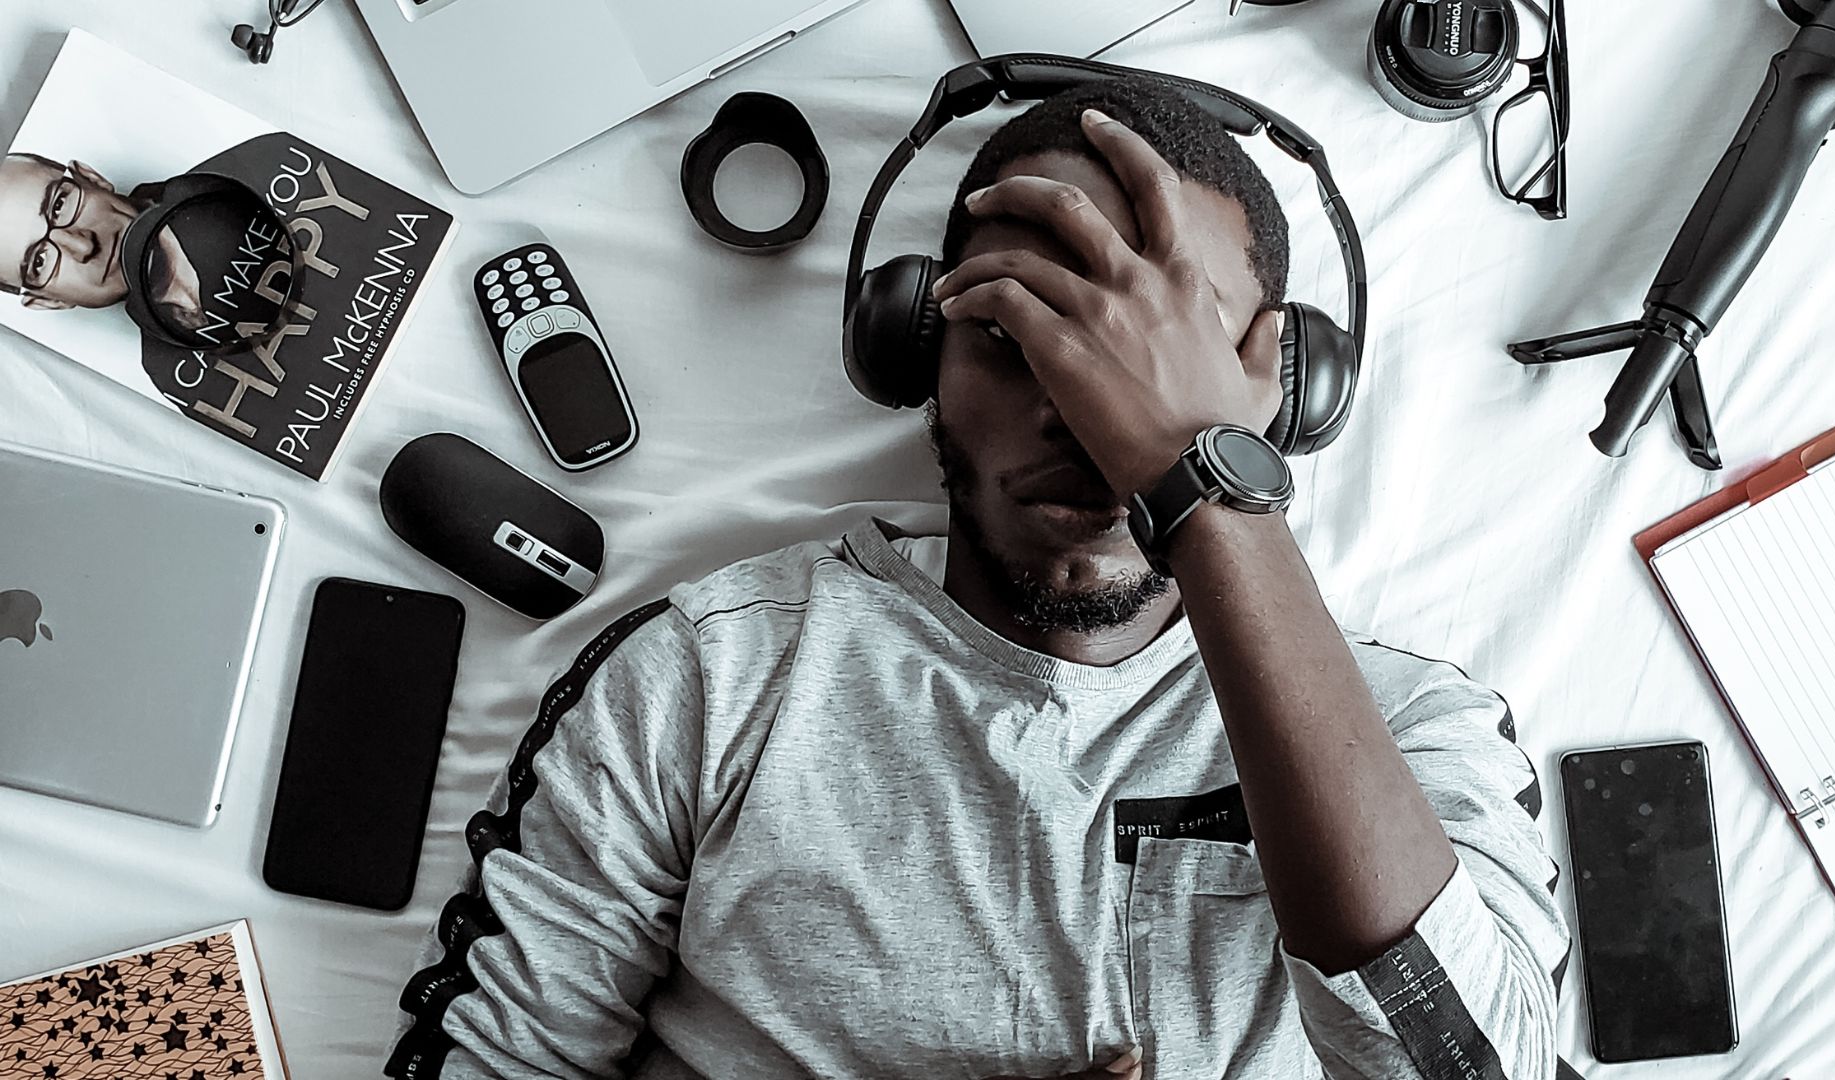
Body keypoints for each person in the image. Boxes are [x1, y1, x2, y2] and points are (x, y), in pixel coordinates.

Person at [390, 77, 1568, 1080]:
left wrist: (1201, 483)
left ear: (1283, 386)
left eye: (1164, 355)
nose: (1086, 415)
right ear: (917, 354)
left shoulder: (1417, 734)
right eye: (1018, 336)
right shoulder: (710, 674)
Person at [0, 151, 207, 333]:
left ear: (91, 178)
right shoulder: (165, 371)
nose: (84, 247)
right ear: (50, 301)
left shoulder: (225, 177)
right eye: (39, 262)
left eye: (59, 205)